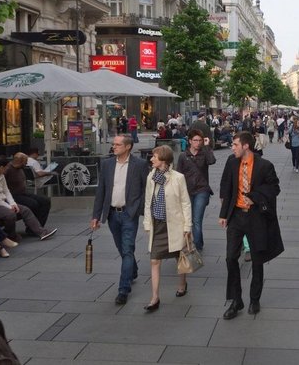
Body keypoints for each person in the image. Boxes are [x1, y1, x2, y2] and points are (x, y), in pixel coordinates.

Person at [219, 131, 284, 319]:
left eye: (235, 144)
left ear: (246, 145)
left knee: (257, 260)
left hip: (256, 218)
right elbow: (226, 187)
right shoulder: (232, 163)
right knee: (231, 258)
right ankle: (236, 300)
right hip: (236, 217)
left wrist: (254, 198)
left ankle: (254, 299)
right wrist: (224, 214)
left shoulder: (264, 166)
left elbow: (274, 188)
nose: (232, 148)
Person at [91, 134, 150, 305]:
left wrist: (138, 209)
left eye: (117, 144)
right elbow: (101, 191)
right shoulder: (107, 164)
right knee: (122, 248)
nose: (113, 147)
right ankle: (132, 270)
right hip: (111, 214)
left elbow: (146, 188)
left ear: (128, 147)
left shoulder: (139, 164)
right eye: (113, 144)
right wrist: (96, 215)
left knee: (127, 248)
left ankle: (123, 289)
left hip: (129, 213)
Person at [143, 145, 192, 311]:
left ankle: (182, 284)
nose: (151, 159)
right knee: (155, 259)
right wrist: (147, 222)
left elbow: (185, 203)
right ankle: (155, 297)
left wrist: (187, 226)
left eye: (154, 157)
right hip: (158, 225)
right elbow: (148, 201)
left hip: (175, 224)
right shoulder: (151, 176)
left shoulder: (178, 178)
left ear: (163, 159)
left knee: (179, 256)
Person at [0, 156, 57, 243]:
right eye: (6, 167)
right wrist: (9, 206)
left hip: (2, 202)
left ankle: (42, 232)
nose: (7, 169)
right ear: (1, 167)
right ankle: (11, 235)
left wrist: (13, 203)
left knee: (25, 210)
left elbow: (6, 191)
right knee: (10, 214)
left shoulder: (1, 176)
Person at [176, 128, 216, 252]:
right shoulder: (183, 156)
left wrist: (207, 146)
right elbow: (178, 174)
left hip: (201, 190)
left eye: (200, 140)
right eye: (195, 140)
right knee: (189, 219)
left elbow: (212, 161)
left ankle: (197, 246)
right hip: (187, 191)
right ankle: (195, 242)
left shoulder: (204, 154)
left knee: (196, 219)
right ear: (189, 141)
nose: (197, 143)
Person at [4, 153, 52, 229]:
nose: (26, 163)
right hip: (13, 195)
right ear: (20, 161)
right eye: (25, 161)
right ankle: (32, 227)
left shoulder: (20, 168)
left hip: (22, 193)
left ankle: (38, 226)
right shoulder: (8, 169)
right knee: (33, 204)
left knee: (45, 201)